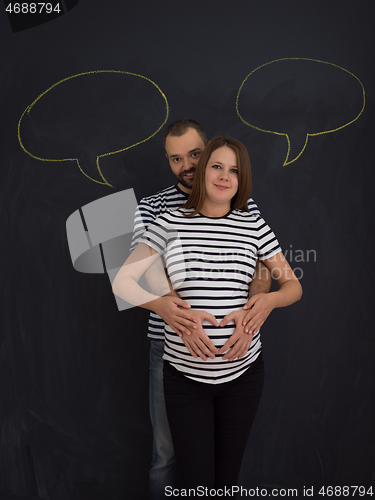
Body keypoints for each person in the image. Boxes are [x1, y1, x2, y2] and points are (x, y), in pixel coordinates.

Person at [115, 136, 302, 493]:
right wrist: (161, 305)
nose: (224, 175)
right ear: (203, 171)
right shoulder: (168, 221)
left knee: (226, 481)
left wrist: (267, 302)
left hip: (243, 374)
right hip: (185, 378)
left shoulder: (253, 224)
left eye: (233, 170)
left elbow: (293, 287)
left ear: (241, 179)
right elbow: (123, 283)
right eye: (216, 166)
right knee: (194, 481)